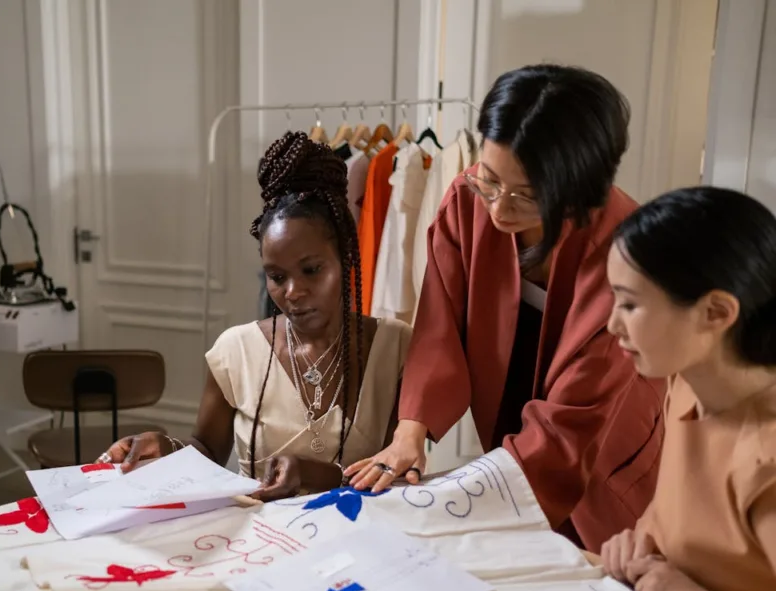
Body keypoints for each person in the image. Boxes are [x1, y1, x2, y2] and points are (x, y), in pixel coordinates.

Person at [346, 64, 665, 553]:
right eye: (490, 181)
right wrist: (410, 434)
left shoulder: (626, 249)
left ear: (580, 188)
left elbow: (571, 421)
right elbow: (439, 325)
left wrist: (453, 501)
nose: (497, 209)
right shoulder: (467, 199)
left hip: (604, 445)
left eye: (527, 195)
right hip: (515, 424)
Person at [104, 131, 412, 501]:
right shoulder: (237, 351)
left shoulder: (397, 347)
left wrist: (317, 474)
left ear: (345, 258)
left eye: (311, 270)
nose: (293, 292)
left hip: (364, 546)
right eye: (277, 277)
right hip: (257, 545)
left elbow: (399, 473)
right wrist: (166, 448)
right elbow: (207, 452)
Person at [600, 187, 776, 591]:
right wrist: (640, 542)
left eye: (630, 305)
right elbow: (677, 514)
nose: (612, 325)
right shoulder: (685, 385)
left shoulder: (766, 458)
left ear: (716, 312)